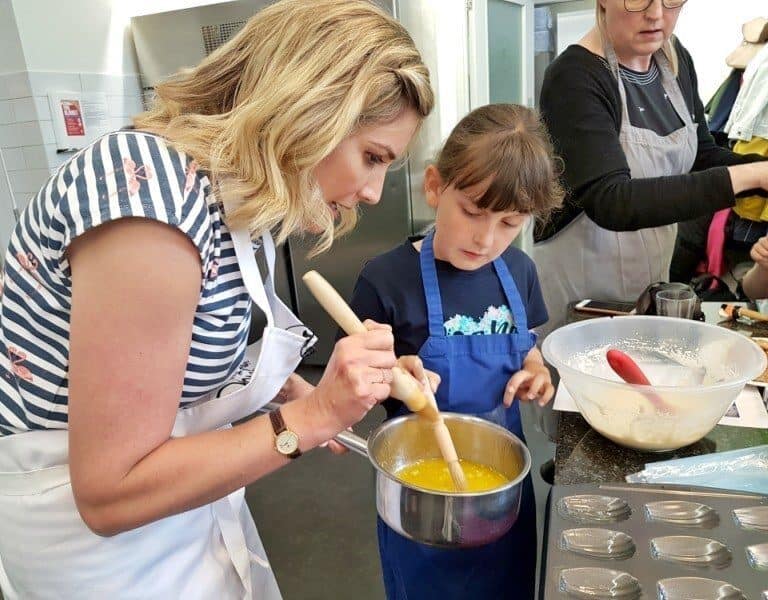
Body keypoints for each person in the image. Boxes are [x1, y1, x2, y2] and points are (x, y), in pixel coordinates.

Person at [0, 1, 434, 598]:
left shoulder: (228, 201)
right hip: (95, 553)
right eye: (373, 157)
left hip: (177, 513)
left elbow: (187, 354)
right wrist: (312, 418)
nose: (371, 191)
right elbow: (109, 493)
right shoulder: (149, 197)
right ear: (310, 110)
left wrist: (304, 390)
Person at [348, 103, 564, 600]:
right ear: (434, 187)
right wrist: (392, 373)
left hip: (500, 489)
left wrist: (536, 368)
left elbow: (527, 343)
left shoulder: (520, 272)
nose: (487, 239)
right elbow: (353, 384)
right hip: (421, 495)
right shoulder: (386, 281)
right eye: (472, 212)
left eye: (511, 223)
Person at [533, 0, 768, 337]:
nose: (656, 13)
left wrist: (760, 170)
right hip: (582, 292)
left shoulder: (673, 59)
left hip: (646, 281)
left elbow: (700, 156)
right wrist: (751, 176)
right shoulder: (573, 77)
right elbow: (611, 200)